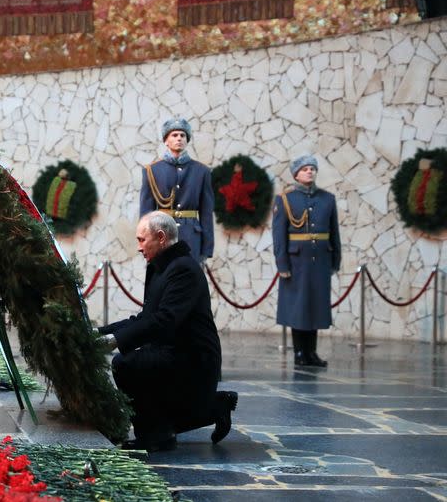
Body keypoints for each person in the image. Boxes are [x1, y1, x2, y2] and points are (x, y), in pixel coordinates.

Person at [97, 211, 238, 452]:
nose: (139, 248)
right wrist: (101, 332)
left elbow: (165, 320)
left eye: (142, 240)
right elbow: (145, 318)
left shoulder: (183, 269)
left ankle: (156, 435)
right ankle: (214, 406)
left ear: (161, 237)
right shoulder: (161, 266)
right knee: (144, 373)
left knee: (126, 364)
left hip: (194, 358)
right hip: (172, 351)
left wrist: (115, 341)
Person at [272, 154, 342, 367]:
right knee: (298, 307)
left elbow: (334, 232)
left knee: (316, 306)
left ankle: (311, 353)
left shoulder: (327, 199)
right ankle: (300, 353)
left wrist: (335, 259)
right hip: (296, 262)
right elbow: (279, 234)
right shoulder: (285, 199)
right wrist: (282, 264)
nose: (309, 172)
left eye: (312, 168)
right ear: (296, 174)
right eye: (304, 169)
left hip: (320, 260)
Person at [140, 117, 214, 264]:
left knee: (190, 284)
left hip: (192, 239)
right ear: (166, 141)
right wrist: (146, 244)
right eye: (174, 135)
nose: (179, 138)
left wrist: (206, 249)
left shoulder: (201, 171)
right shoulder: (152, 171)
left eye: (183, 135)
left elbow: (206, 213)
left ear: (187, 140)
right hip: (161, 238)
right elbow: (146, 213)